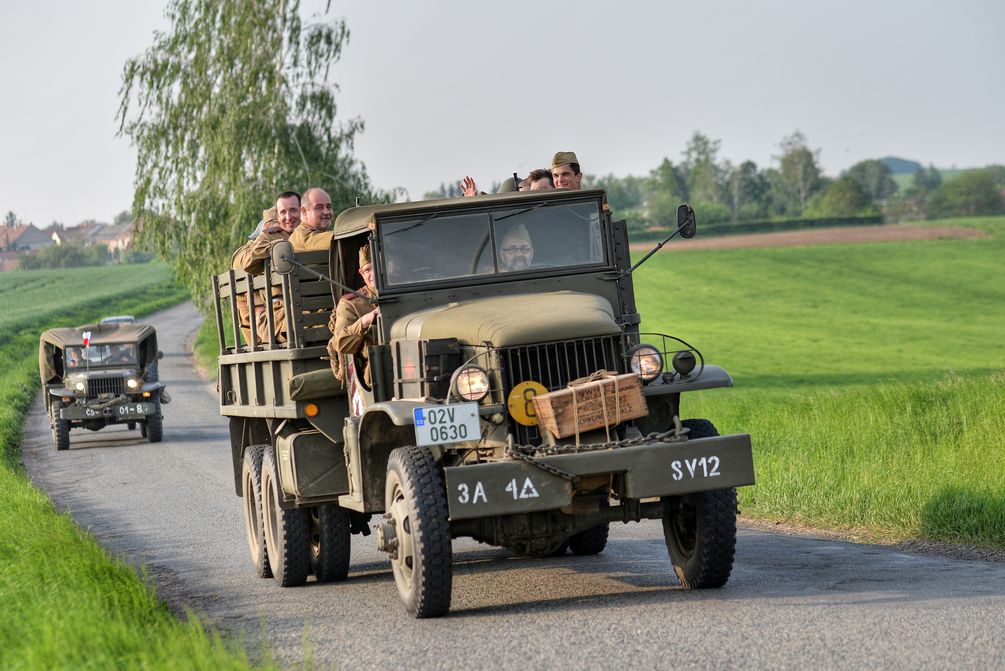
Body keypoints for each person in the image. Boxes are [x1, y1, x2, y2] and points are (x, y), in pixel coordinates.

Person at [327, 243, 379, 385]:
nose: (373, 274)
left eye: (378, 266)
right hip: (375, 372)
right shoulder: (351, 303)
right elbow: (340, 343)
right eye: (368, 270)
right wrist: (364, 322)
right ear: (361, 273)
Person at [288, 187, 335, 252]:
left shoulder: (316, 232)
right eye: (319, 208)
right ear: (304, 211)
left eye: (329, 207)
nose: (326, 212)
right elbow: (337, 240)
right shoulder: (303, 236)